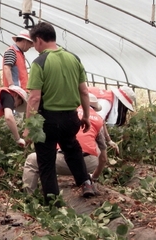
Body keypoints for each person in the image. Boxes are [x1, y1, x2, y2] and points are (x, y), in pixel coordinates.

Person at [22, 22, 96, 203]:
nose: (35, 48)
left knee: (46, 161)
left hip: (48, 120)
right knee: (72, 149)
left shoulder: (40, 62)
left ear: (38, 40)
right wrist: (85, 116)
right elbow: (84, 91)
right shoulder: (74, 58)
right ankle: (86, 182)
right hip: (71, 116)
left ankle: (52, 202)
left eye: (34, 43)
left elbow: (34, 98)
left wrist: (28, 127)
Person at [23, 94, 107, 194]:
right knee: (96, 145)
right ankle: (86, 182)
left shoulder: (69, 114)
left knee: (32, 160)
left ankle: (30, 197)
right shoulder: (98, 119)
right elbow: (103, 158)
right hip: (90, 163)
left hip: (65, 161)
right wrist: (95, 177)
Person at [88, 85, 136, 154]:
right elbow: (96, 121)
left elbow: (101, 120)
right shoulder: (106, 103)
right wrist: (102, 144)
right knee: (101, 155)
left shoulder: (108, 96)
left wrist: (109, 140)